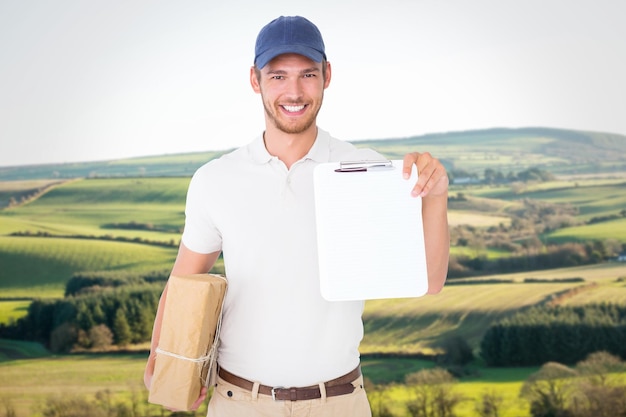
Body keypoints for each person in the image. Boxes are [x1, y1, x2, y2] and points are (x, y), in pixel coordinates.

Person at [144, 15, 449, 417]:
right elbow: (183, 279)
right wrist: (161, 361)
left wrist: (436, 196)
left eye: (307, 74)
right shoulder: (215, 180)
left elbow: (429, 281)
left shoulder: (367, 171)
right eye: (278, 76)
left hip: (339, 403)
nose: (294, 91)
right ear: (255, 80)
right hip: (239, 403)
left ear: (327, 75)